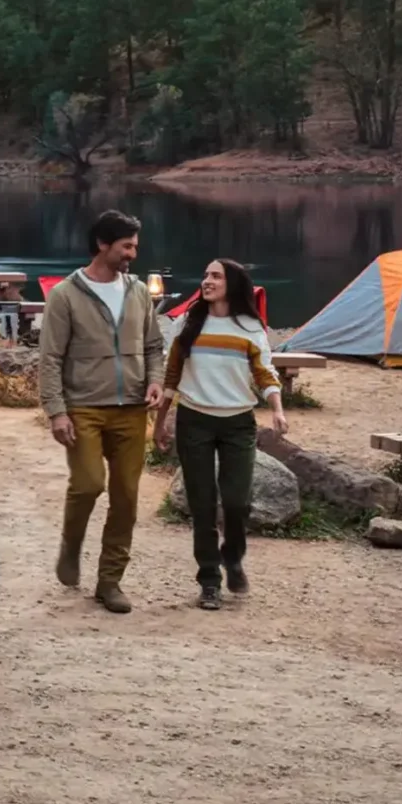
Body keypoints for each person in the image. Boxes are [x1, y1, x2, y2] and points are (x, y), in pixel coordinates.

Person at [38, 210, 168, 614]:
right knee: (89, 484)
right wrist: (56, 411)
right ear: (102, 245)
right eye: (126, 246)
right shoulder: (65, 295)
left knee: (126, 496)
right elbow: (50, 358)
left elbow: (153, 346)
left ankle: (109, 581)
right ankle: (72, 544)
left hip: (131, 408)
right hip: (83, 408)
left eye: (134, 246)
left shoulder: (139, 292)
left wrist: (155, 381)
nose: (132, 254)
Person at [156, 260, 287, 611]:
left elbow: (265, 372)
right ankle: (209, 580)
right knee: (201, 506)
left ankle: (233, 556)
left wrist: (276, 408)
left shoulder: (250, 327)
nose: (207, 281)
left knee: (237, 501)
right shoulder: (188, 323)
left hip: (237, 423)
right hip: (194, 421)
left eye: (216, 276)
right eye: (206, 275)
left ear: (233, 284)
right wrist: (159, 421)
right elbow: (171, 375)